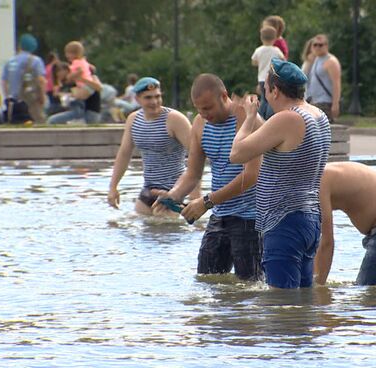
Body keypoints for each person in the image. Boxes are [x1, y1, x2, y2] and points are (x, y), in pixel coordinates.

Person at [230, 59, 331, 289]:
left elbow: (237, 153)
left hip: (284, 221)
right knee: (303, 300)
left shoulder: (288, 118)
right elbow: (279, 140)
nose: (264, 94)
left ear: (275, 90)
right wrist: (256, 118)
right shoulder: (318, 115)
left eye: (265, 89)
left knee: (280, 305)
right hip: (310, 219)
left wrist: (247, 119)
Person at [153, 73, 263, 281]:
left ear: (224, 96)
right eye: (198, 109)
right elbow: (193, 173)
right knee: (207, 281)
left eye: (208, 108)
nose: (204, 114)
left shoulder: (247, 119)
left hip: (251, 219)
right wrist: (173, 195)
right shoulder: (200, 123)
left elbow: (251, 176)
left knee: (252, 288)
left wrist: (206, 202)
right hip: (219, 216)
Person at [108, 77, 197, 215]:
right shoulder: (133, 120)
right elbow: (124, 154)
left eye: (157, 96)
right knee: (141, 231)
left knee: (169, 233)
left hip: (175, 191)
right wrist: (113, 187)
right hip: (148, 190)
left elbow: (196, 156)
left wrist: (195, 196)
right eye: (148, 98)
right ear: (137, 99)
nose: (154, 102)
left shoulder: (175, 119)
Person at [1, 34, 46, 124]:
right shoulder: (36, 61)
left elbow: (4, 82)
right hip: (30, 101)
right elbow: (40, 81)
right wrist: (42, 97)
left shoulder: (10, 62)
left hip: (13, 103)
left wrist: (8, 96)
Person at [307, 34, 341, 124]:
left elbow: (336, 83)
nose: (317, 47)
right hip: (314, 102)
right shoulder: (316, 59)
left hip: (325, 102)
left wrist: (335, 104)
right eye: (315, 45)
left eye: (320, 45)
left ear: (326, 46)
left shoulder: (331, 61)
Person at [252, 25, 284, 120]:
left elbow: (253, 62)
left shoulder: (259, 50)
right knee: (271, 99)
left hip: (261, 78)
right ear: (275, 38)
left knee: (263, 98)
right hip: (272, 77)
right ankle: (270, 117)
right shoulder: (276, 50)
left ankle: (259, 117)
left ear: (261, 37)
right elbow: (283, 60)